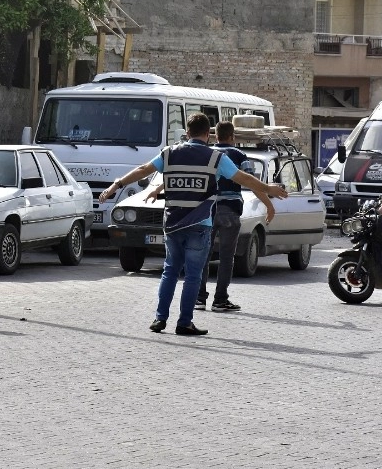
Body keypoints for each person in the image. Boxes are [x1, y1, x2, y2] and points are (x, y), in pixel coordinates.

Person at [99, 113, 288, 336]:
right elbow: (242, 178)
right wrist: (269, 189)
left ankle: (160, 318)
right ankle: (184, 322)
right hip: (199, 223)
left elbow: (143, 170)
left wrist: (116, 185)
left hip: (172, 223)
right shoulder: (215, 158)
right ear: (208, 134)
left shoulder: (169, 153)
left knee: (169, 272)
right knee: (193, 275)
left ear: (187, 133)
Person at [197, 121, 276, 312]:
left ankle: (198, 298)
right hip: (230, 211)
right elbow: (252, 184)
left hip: (207, 210)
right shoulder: (240, 156)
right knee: (226, 257)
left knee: (202, 256)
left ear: (215, 136)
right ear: (232, 137)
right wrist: (269, 205)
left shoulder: (207, 154)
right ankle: (220, 300)